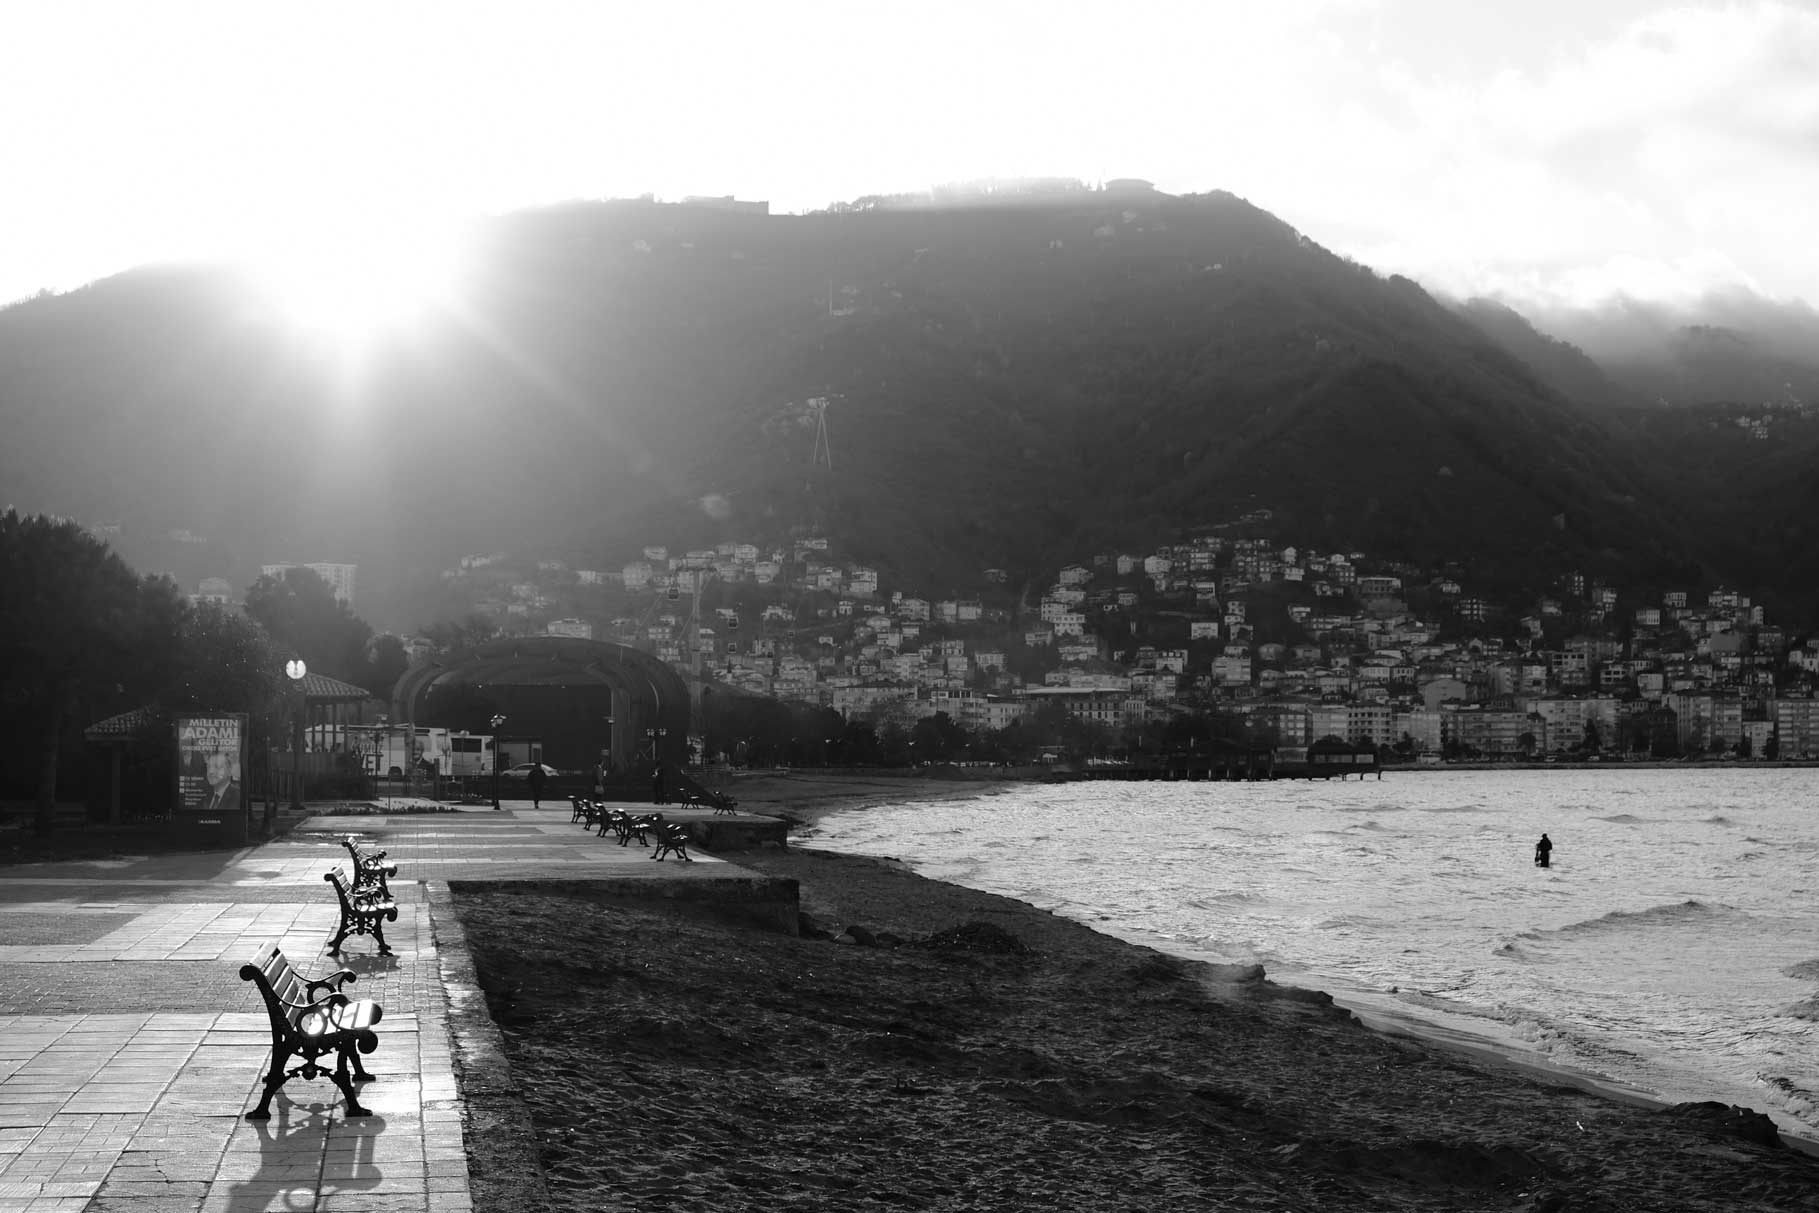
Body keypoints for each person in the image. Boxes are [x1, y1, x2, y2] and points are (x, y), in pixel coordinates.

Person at [193, 750, 241, 814]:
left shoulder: (238, 797)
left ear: (229, 771)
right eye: (208, 767)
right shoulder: (205, 796)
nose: (210, 771)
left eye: (217, 766)